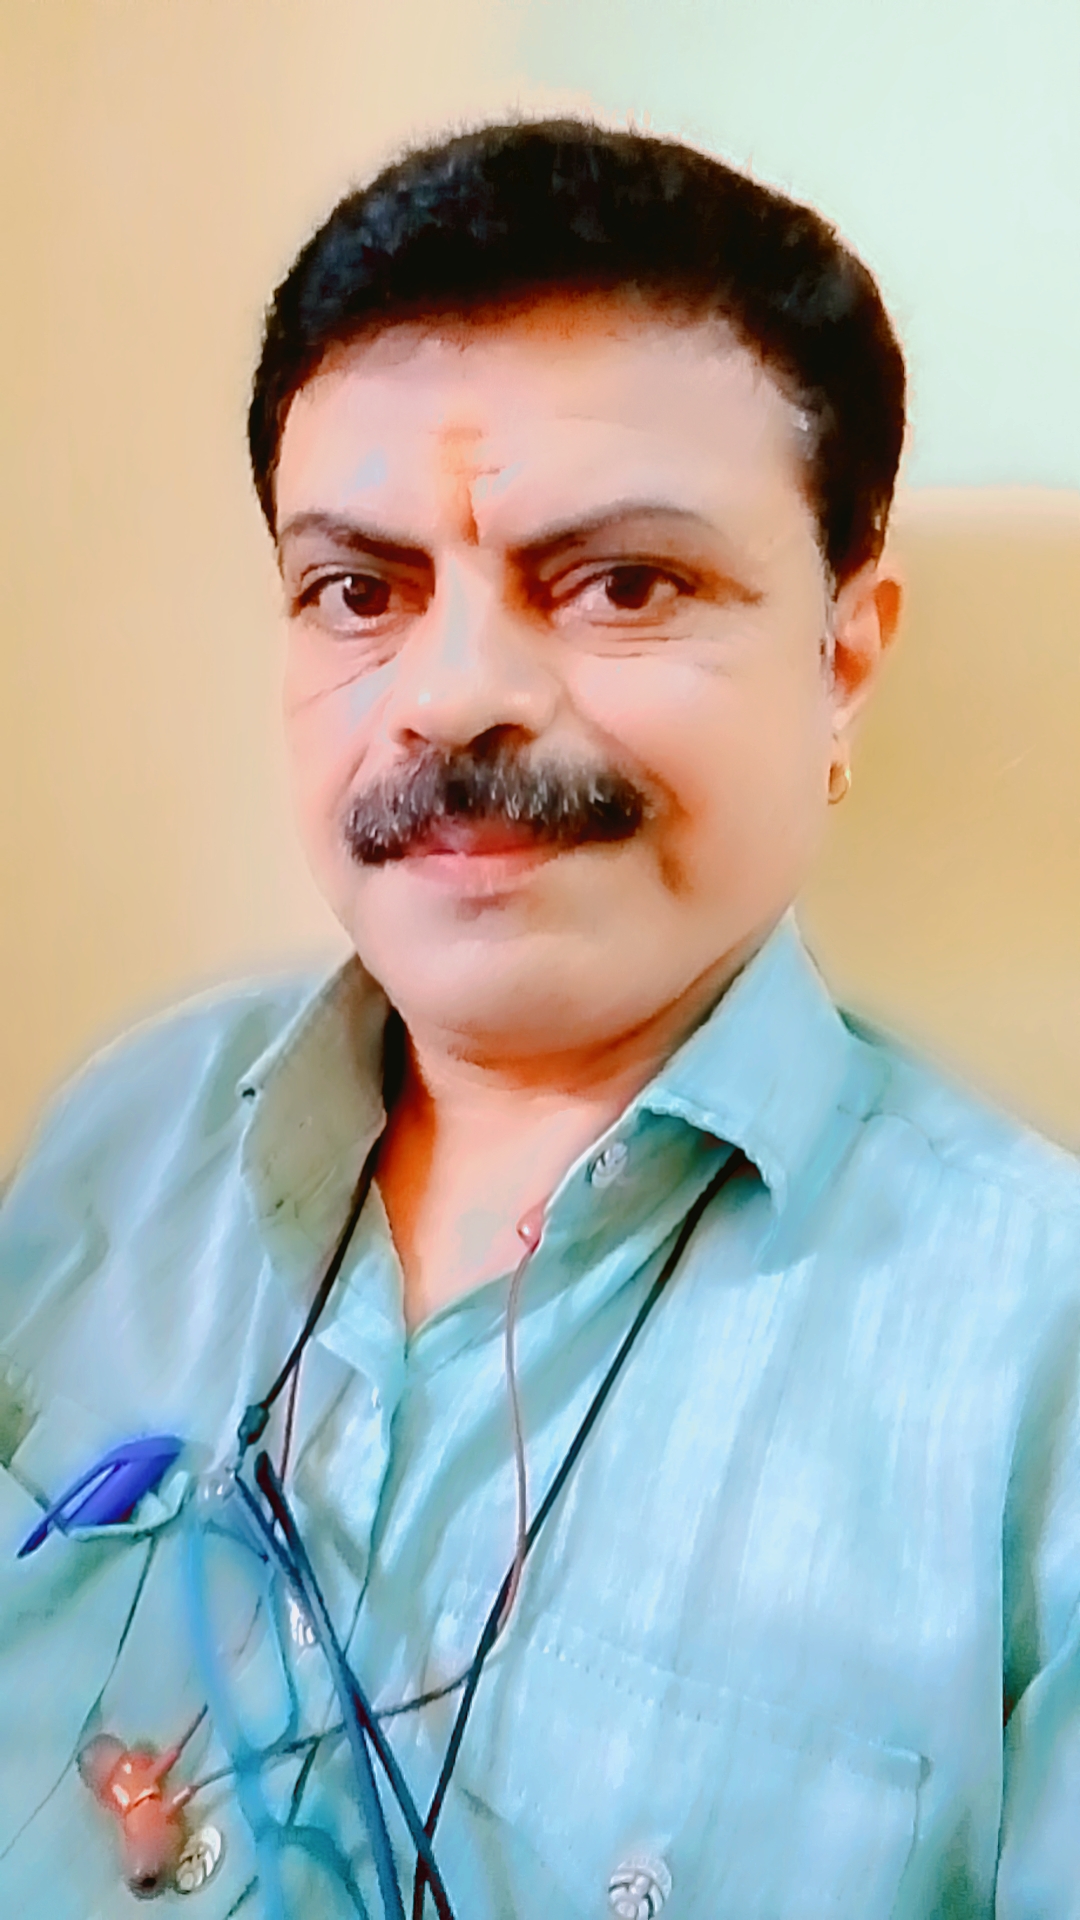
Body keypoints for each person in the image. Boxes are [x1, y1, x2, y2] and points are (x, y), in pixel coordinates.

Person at [1, 117, 1078, 1920]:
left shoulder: (1040, 1380)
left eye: (624, 584)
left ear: (842, 661)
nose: (453, 697)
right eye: (360, 591)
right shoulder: (124, 1143)